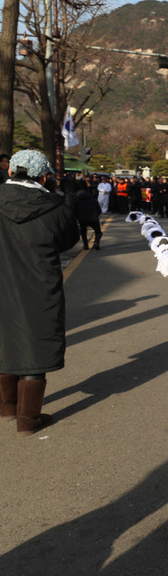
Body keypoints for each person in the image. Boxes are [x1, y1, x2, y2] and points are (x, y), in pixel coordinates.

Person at [0, 150, 79, 435]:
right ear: (44, 177)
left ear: (11, 171)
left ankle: (7, 407)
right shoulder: (54, 207)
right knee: (36, 345)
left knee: (4, 339)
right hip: (39, 283)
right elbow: (69, 241)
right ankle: (27, 419)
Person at [73, 187, 103, 251]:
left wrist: (77, 218)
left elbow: (74, 211)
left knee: (83, 232)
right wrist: (96, 215)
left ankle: (86, 245)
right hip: (93, 218)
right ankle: (96, 242)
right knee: (98, 232)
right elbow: (99, 210)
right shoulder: (93, 200)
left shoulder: (76, 201)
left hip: (82, 219)